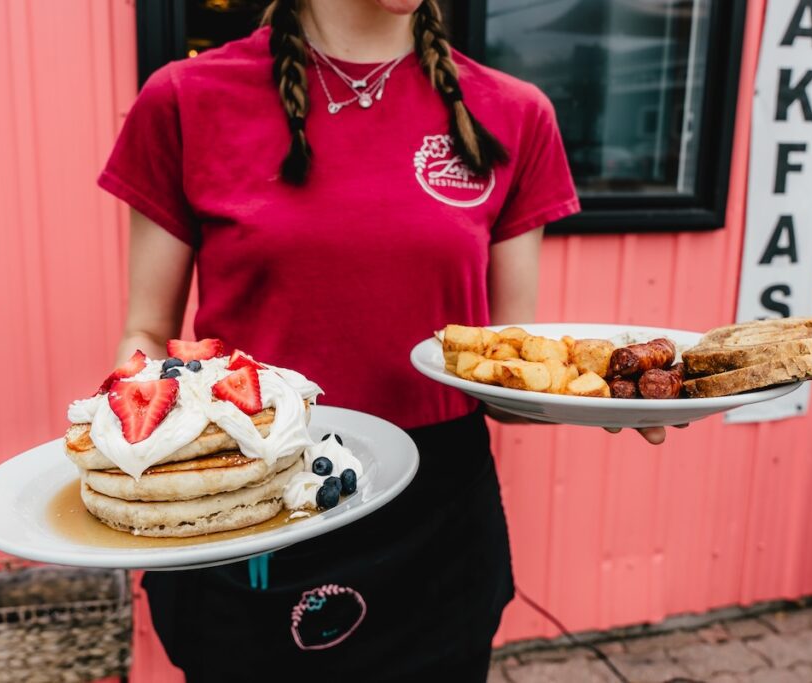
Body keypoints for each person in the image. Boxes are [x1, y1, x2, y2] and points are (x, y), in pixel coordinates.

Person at [97, 0, 670, 679]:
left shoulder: (513, 113)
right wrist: (130, 451)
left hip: (439, 522)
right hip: (257, 494)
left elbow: (506, 373)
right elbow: (147, 331)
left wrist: (608, 396)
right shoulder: (185, 98)